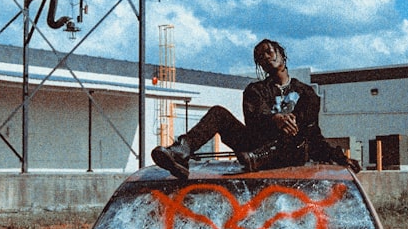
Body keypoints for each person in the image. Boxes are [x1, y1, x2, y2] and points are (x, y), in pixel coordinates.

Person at [151, 38, 359, 179]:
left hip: (289, 152)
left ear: (282, 55)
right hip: (254, 146)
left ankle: (261, 158)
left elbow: (313, 133)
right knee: (218, 112)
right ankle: (180, 152)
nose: (266, 57)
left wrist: (341, 159)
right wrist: (275, 119)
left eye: (269, 52)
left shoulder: (306, 93)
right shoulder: (255, 90)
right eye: (261, 56)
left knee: (299, 132)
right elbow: (254, 121)